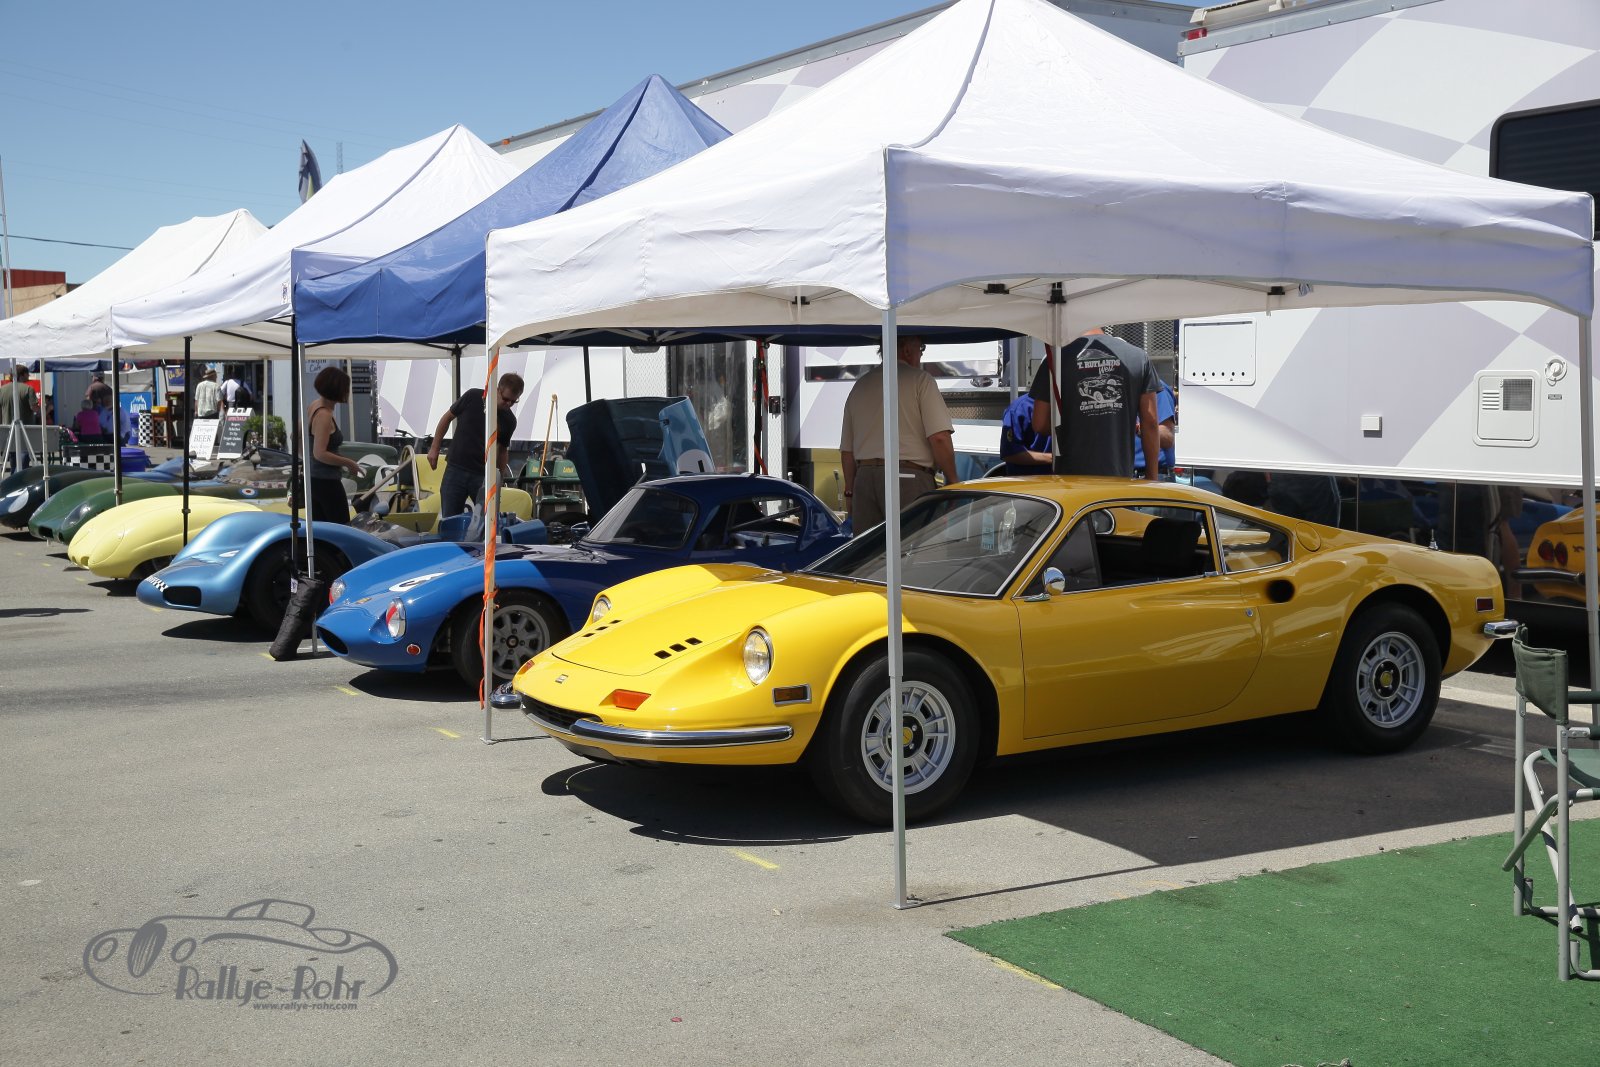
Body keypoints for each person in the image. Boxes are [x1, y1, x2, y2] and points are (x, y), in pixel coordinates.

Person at [839, 335, 959, 531]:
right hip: (908, 478)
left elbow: (847, 451)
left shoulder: (860, 385)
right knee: (915, 544)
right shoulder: (921, 380)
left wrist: (850, 492)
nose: (921, 354)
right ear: (907, 350)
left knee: (870, 549)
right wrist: (953, 480)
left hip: (864, 479)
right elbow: (939, 437)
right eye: (921, 348)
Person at [1030, 328, 1161, 480]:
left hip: (1071, 479)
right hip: (1119, 476)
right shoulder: (1138, 357)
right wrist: (1152, 476)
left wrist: (1074, 427)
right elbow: (1151, 423)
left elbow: (1039, 424)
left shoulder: (1056, 359)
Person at [427, 373, 525, 518]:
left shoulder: (509, 420)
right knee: (450, 519)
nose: (509, 404)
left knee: (486, 520)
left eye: (513, 401)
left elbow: (503, 450)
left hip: (482, 475)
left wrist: (499, 478)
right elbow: (447, 418)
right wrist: (434, 448)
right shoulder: (473, 397)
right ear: (497, 390)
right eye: (506, 399)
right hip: (456, 468)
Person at [306, 366, 363, 525]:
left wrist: (307, 461)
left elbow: (296, 435)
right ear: (338, 390)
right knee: (341, 527)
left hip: (314, 479)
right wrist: (349, 463)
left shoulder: (314, 406)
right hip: (326, 481)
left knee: (322, 529)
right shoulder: (324, 415)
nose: (348, 392)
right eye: (346, 388)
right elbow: (320, 453)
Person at [998, 392, 1053, 475]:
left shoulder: (1065, 405)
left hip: (1062, 480)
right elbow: (1010, 454)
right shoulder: (1018, 409)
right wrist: (1053, 458)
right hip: (1029, 480)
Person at [1133, 378, 1178, 479]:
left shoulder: (1155, 387)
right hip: (1125, 475)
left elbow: (1167, 437)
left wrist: (1137, 429)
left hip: (1154, 476)